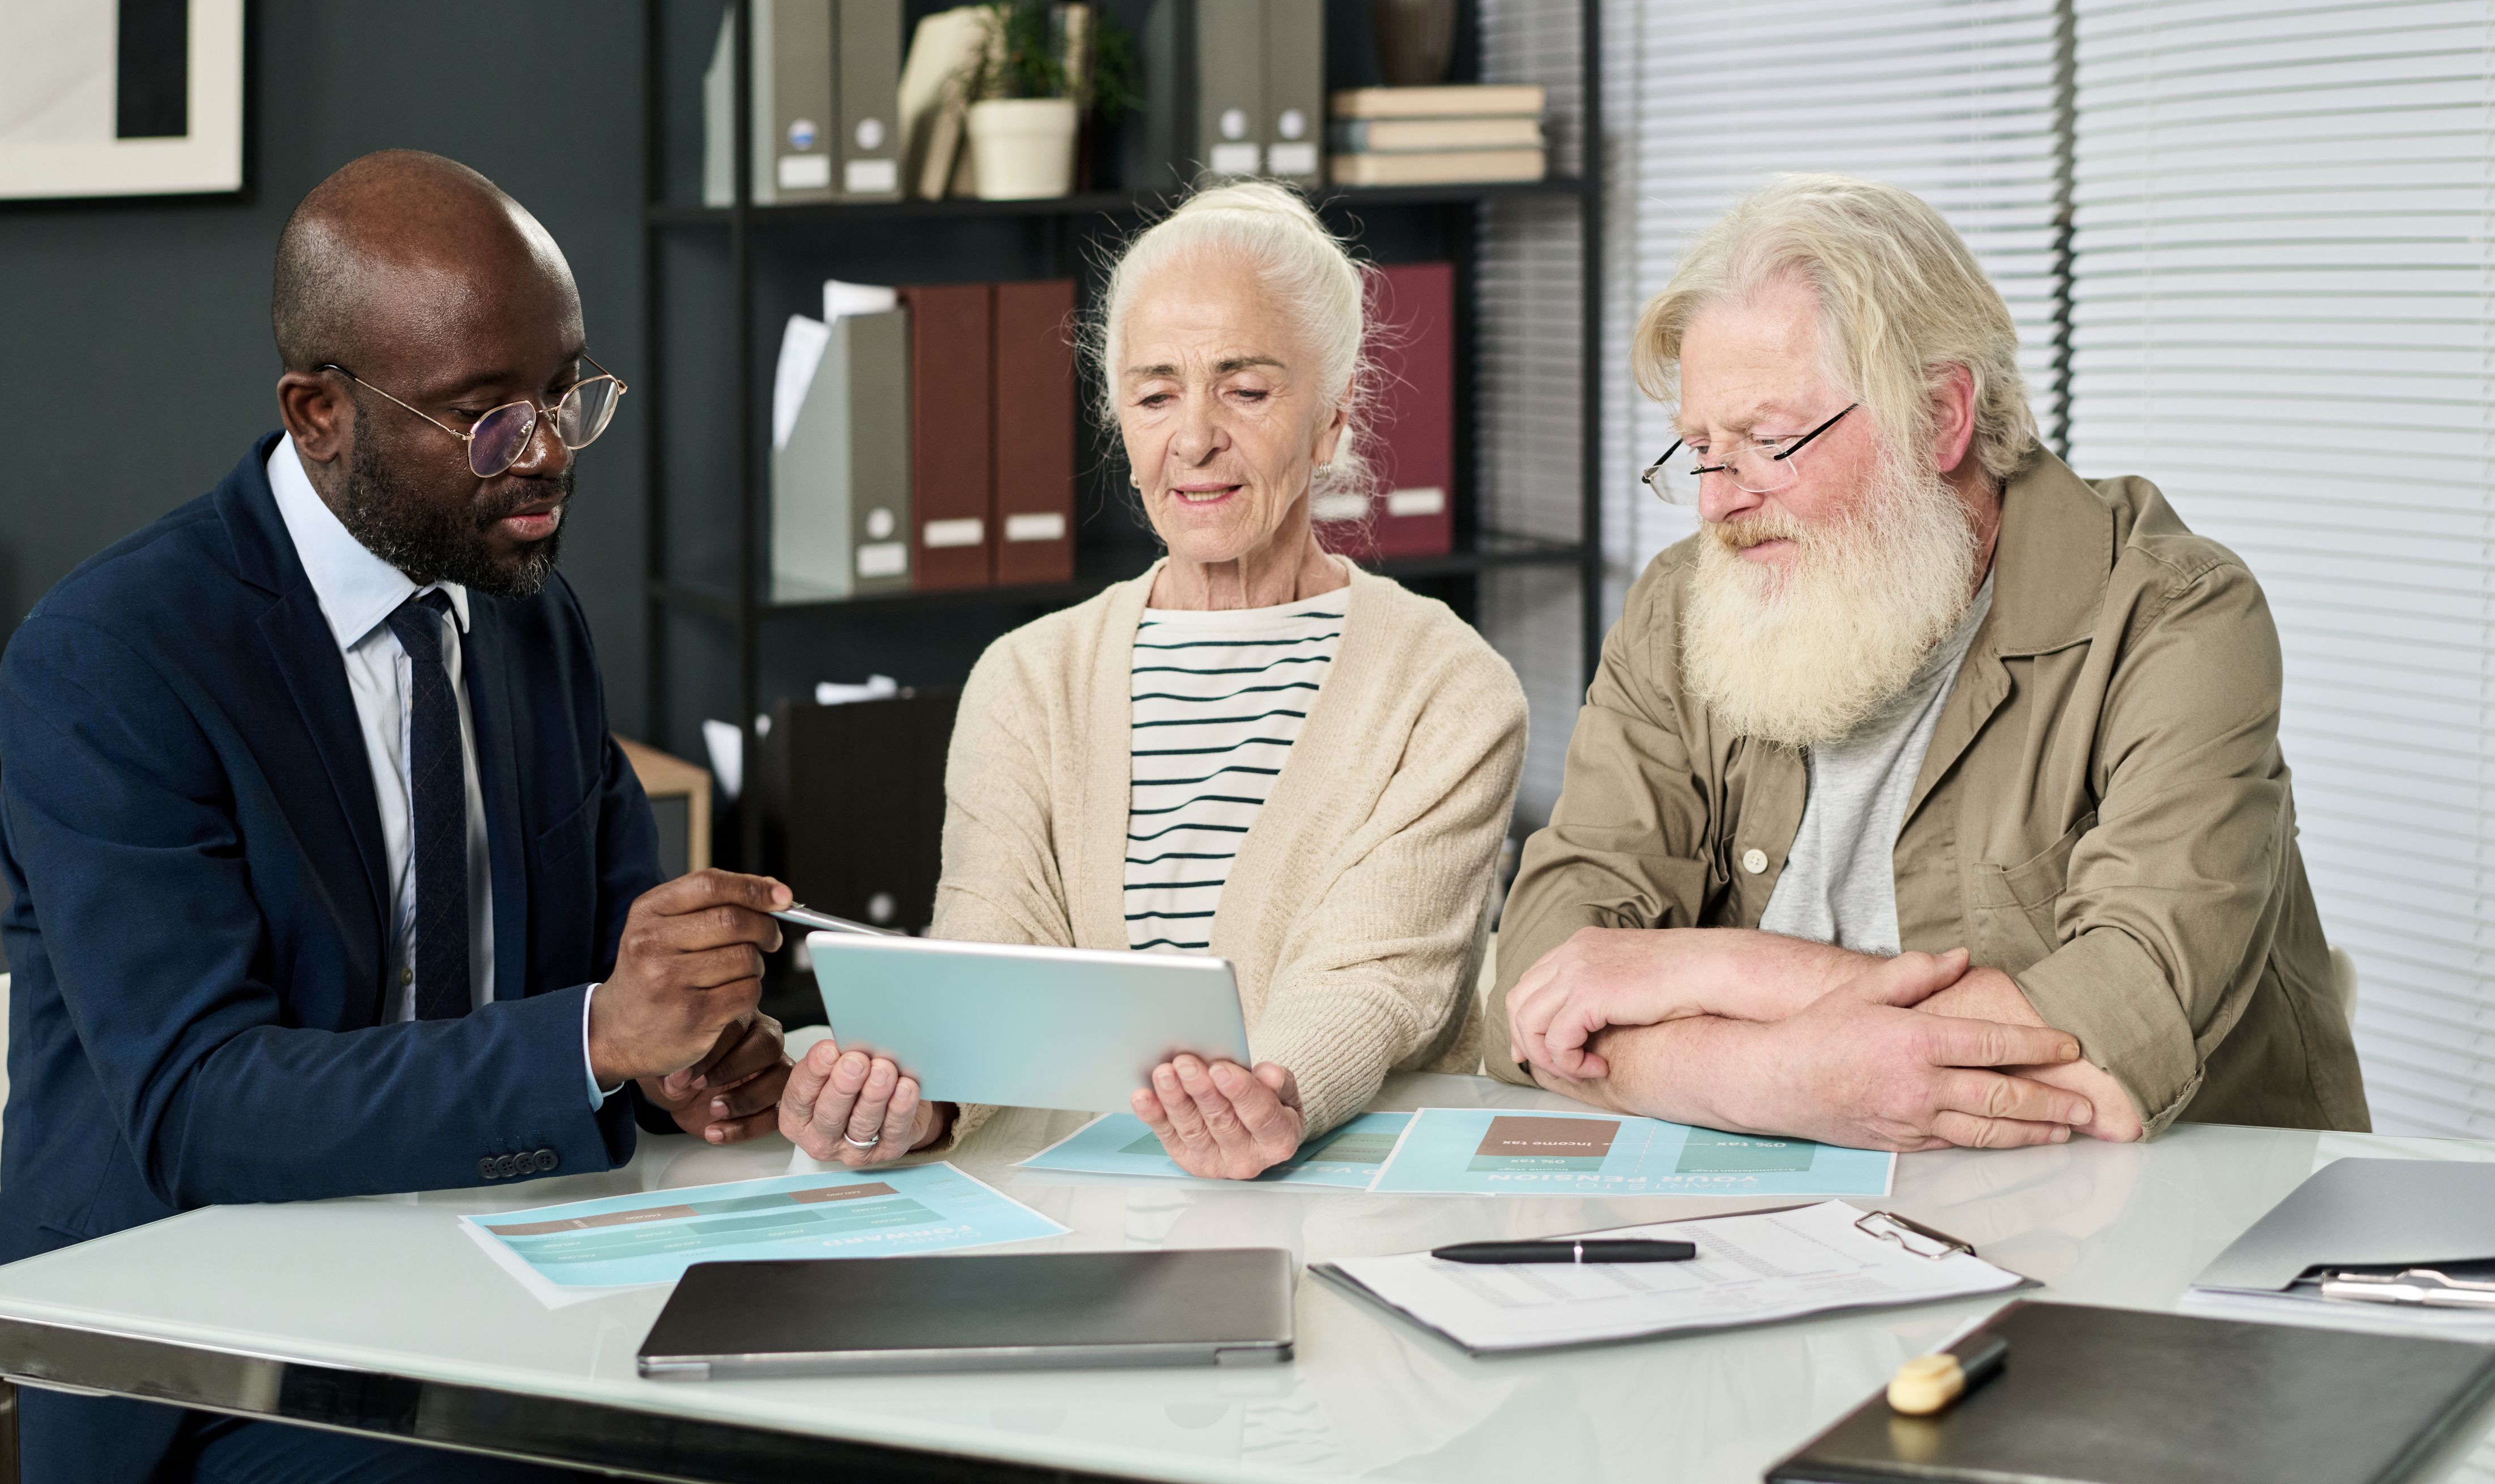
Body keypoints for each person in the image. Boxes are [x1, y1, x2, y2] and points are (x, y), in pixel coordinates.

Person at [0, 151, 796, 1484]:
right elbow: (199, 1108)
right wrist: (596, 1037)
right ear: (319, 414)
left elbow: (604, 979)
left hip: (493, 1279)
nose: (543, 455)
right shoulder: (111, 658)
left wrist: (685, 1057)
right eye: (483, 415)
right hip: (197, 1349)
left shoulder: (527, 612)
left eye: (565, 392)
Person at [1490, 174, 2366, 1149]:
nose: (1716, 503)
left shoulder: (2177, 615)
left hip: (2173, 1238)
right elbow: (1541, 985)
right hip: (1798, 1228)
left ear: (1943, 416)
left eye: (1769, 441)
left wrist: (1694, 974)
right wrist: (1774, 1079)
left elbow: (2105, 1049)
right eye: (1701, 448)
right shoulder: (1681, 603)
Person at [779, 181, 1528, 1178]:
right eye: (1156, 391)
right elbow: (994, 953)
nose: (1195, 438)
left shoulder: (1450, 691)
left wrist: (1276, 1091)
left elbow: (1378, 980)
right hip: (1062, 1202)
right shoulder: (1026, 678)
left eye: (1247, 390)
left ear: (1333, 422)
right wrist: (919, 1101)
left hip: (1328, 1192)